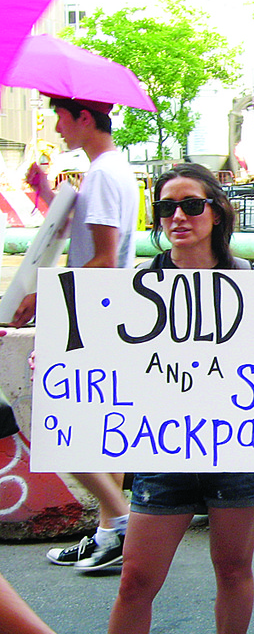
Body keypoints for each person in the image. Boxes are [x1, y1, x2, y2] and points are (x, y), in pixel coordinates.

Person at [105, 164, 254, 634]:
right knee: (135, 581)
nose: (178, 217)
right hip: (163, 447)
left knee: (232, 570)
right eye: (167, 207)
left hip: (239, 445)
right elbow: (98, 359)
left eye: (191, 205)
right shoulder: (131, 291)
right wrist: (56, 366)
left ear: (217, 211)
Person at [16, 96, 139, 572]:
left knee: (63, 429)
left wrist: (42, 298)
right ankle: (110, 534)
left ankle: (125, 522)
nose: (57, 128)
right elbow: (84, 232)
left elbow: (104, 258)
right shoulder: (109, 171)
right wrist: (47, 194)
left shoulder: (105, 174)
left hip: (91, 315)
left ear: (84, 118)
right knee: (105, 436)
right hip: (103, 315)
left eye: (61, 119)